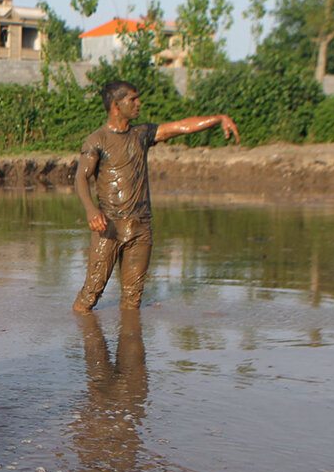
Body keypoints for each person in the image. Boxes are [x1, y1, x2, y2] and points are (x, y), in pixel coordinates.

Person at [72, 80, 239, 312]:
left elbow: (181, 127)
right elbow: (81, 177)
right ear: (116, 105)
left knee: (133, 299)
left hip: (141, 227)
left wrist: (218, 118)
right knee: (91, 292)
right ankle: (86, 339)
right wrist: (91, 210)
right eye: (133, 99)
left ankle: (130, 341)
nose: (139, 103)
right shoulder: (97, 140)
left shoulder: (142, 133)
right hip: (108, 227)